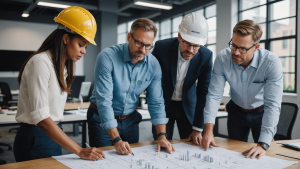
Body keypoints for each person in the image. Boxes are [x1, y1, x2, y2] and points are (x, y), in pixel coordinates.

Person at [13, 6, 105, 162]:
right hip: (36, 136)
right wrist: (80, 150)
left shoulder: (62, 66)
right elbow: (41, 118)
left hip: (54, 134)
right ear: (65, 38)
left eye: (86, 47)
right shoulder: (40, 62)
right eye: (81, 44)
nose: (84, 51)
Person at [87, 18, 175, 155]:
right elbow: (104, 101)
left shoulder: (153, 65)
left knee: (130, 161)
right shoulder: (107, 57)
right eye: (139, 43)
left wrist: (162, 136)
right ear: (129, 37)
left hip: (130, 120)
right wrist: (116, 139)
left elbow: (156, 102)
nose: (143, 50)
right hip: (101, 118)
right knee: (103, 161)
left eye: (148, 46)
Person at [202, 20, 283, 159]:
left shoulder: (271, 62)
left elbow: (272, 105)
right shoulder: (223, 58)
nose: (236, 52)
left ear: (256, 47)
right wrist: (208, 130)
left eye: (243, 49)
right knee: (235, 154)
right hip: (236, 112)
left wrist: (263, 144)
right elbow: (214, 95)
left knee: (264, 155)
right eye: (233, 45)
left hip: (262, 113)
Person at [151, 12, 213, 146]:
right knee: (161, 146)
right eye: (187, 44)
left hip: (188, 108)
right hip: (163, 106)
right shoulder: (162, 48)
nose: (191, 50)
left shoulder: (206, 56)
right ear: (179, 36)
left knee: (191, 147)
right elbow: (151, 81)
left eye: (196, 46)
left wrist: (198, 127)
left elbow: (203, 92)